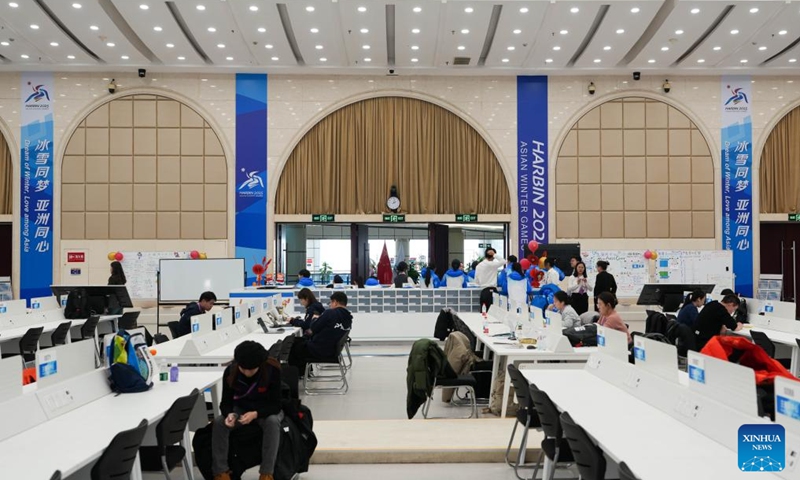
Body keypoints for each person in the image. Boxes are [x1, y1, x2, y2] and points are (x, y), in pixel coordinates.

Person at [212, 341, 282, 480]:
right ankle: (221, 472)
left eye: (251, 369)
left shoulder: (272, 370)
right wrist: (229, 414)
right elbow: (225, 402)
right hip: (241, 409)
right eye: (243, 369)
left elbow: (276, 404)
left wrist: (256, 414)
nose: (247, 372)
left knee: (272, 422)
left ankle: (266, 473)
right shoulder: (231, 371)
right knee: (219, 422)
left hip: (266, 410)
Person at [288, 291, 353, 376]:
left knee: (291, 345)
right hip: (332, 350)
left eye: (331, 303)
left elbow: (313, 327)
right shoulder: (348, 317)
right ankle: (303, 373)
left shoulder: (330, 313)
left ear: (335, 302)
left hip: (319, 350)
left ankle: (296, 376)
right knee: (298, 341)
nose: (330, 305)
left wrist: (315, 319)